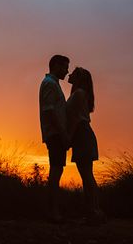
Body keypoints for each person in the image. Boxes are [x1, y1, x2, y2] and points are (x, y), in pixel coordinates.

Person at [66, 67, 105, 223]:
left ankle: (93, 211)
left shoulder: (79, 94)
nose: (70, 75)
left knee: (87, 176)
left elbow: (75, 118)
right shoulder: (81, 93)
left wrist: (68, 137)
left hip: (81, 134)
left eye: (73, 74)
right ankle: (94, 210)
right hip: (83, 134)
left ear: (79, 78)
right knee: (87, 176)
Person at [39, 54, 70, 222]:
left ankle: (53, 211)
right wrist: (63, 133)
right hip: (55, 134)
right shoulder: (50, 84)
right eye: (65, 67)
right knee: (56, 171)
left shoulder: (53, 84)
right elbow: (49, 110)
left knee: (57, 170)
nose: (67, 71)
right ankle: (52, 212)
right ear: (56, 66)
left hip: (56, 133)